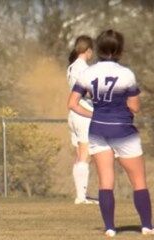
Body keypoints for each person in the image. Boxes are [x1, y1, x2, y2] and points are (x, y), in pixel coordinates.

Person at [67, 29, 154, 237]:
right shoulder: (126, 74)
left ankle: (110, 227)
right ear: (120, 50)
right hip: (123, 129)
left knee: (105, 181)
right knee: (138, 181)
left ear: (98, 48)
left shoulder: (87, 73)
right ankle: (146, 225)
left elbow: (72, 103)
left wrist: (93, 114)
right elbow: (135, 107)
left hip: (98, 129)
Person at [67, 35, 98, 205]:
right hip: (83, 111)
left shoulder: (71, 67)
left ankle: (81, 194)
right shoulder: (85, 69)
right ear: (88, 51)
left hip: (73, 114)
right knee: (85, 155)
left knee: (79, 154)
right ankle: (81, 196)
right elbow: (86, 92)